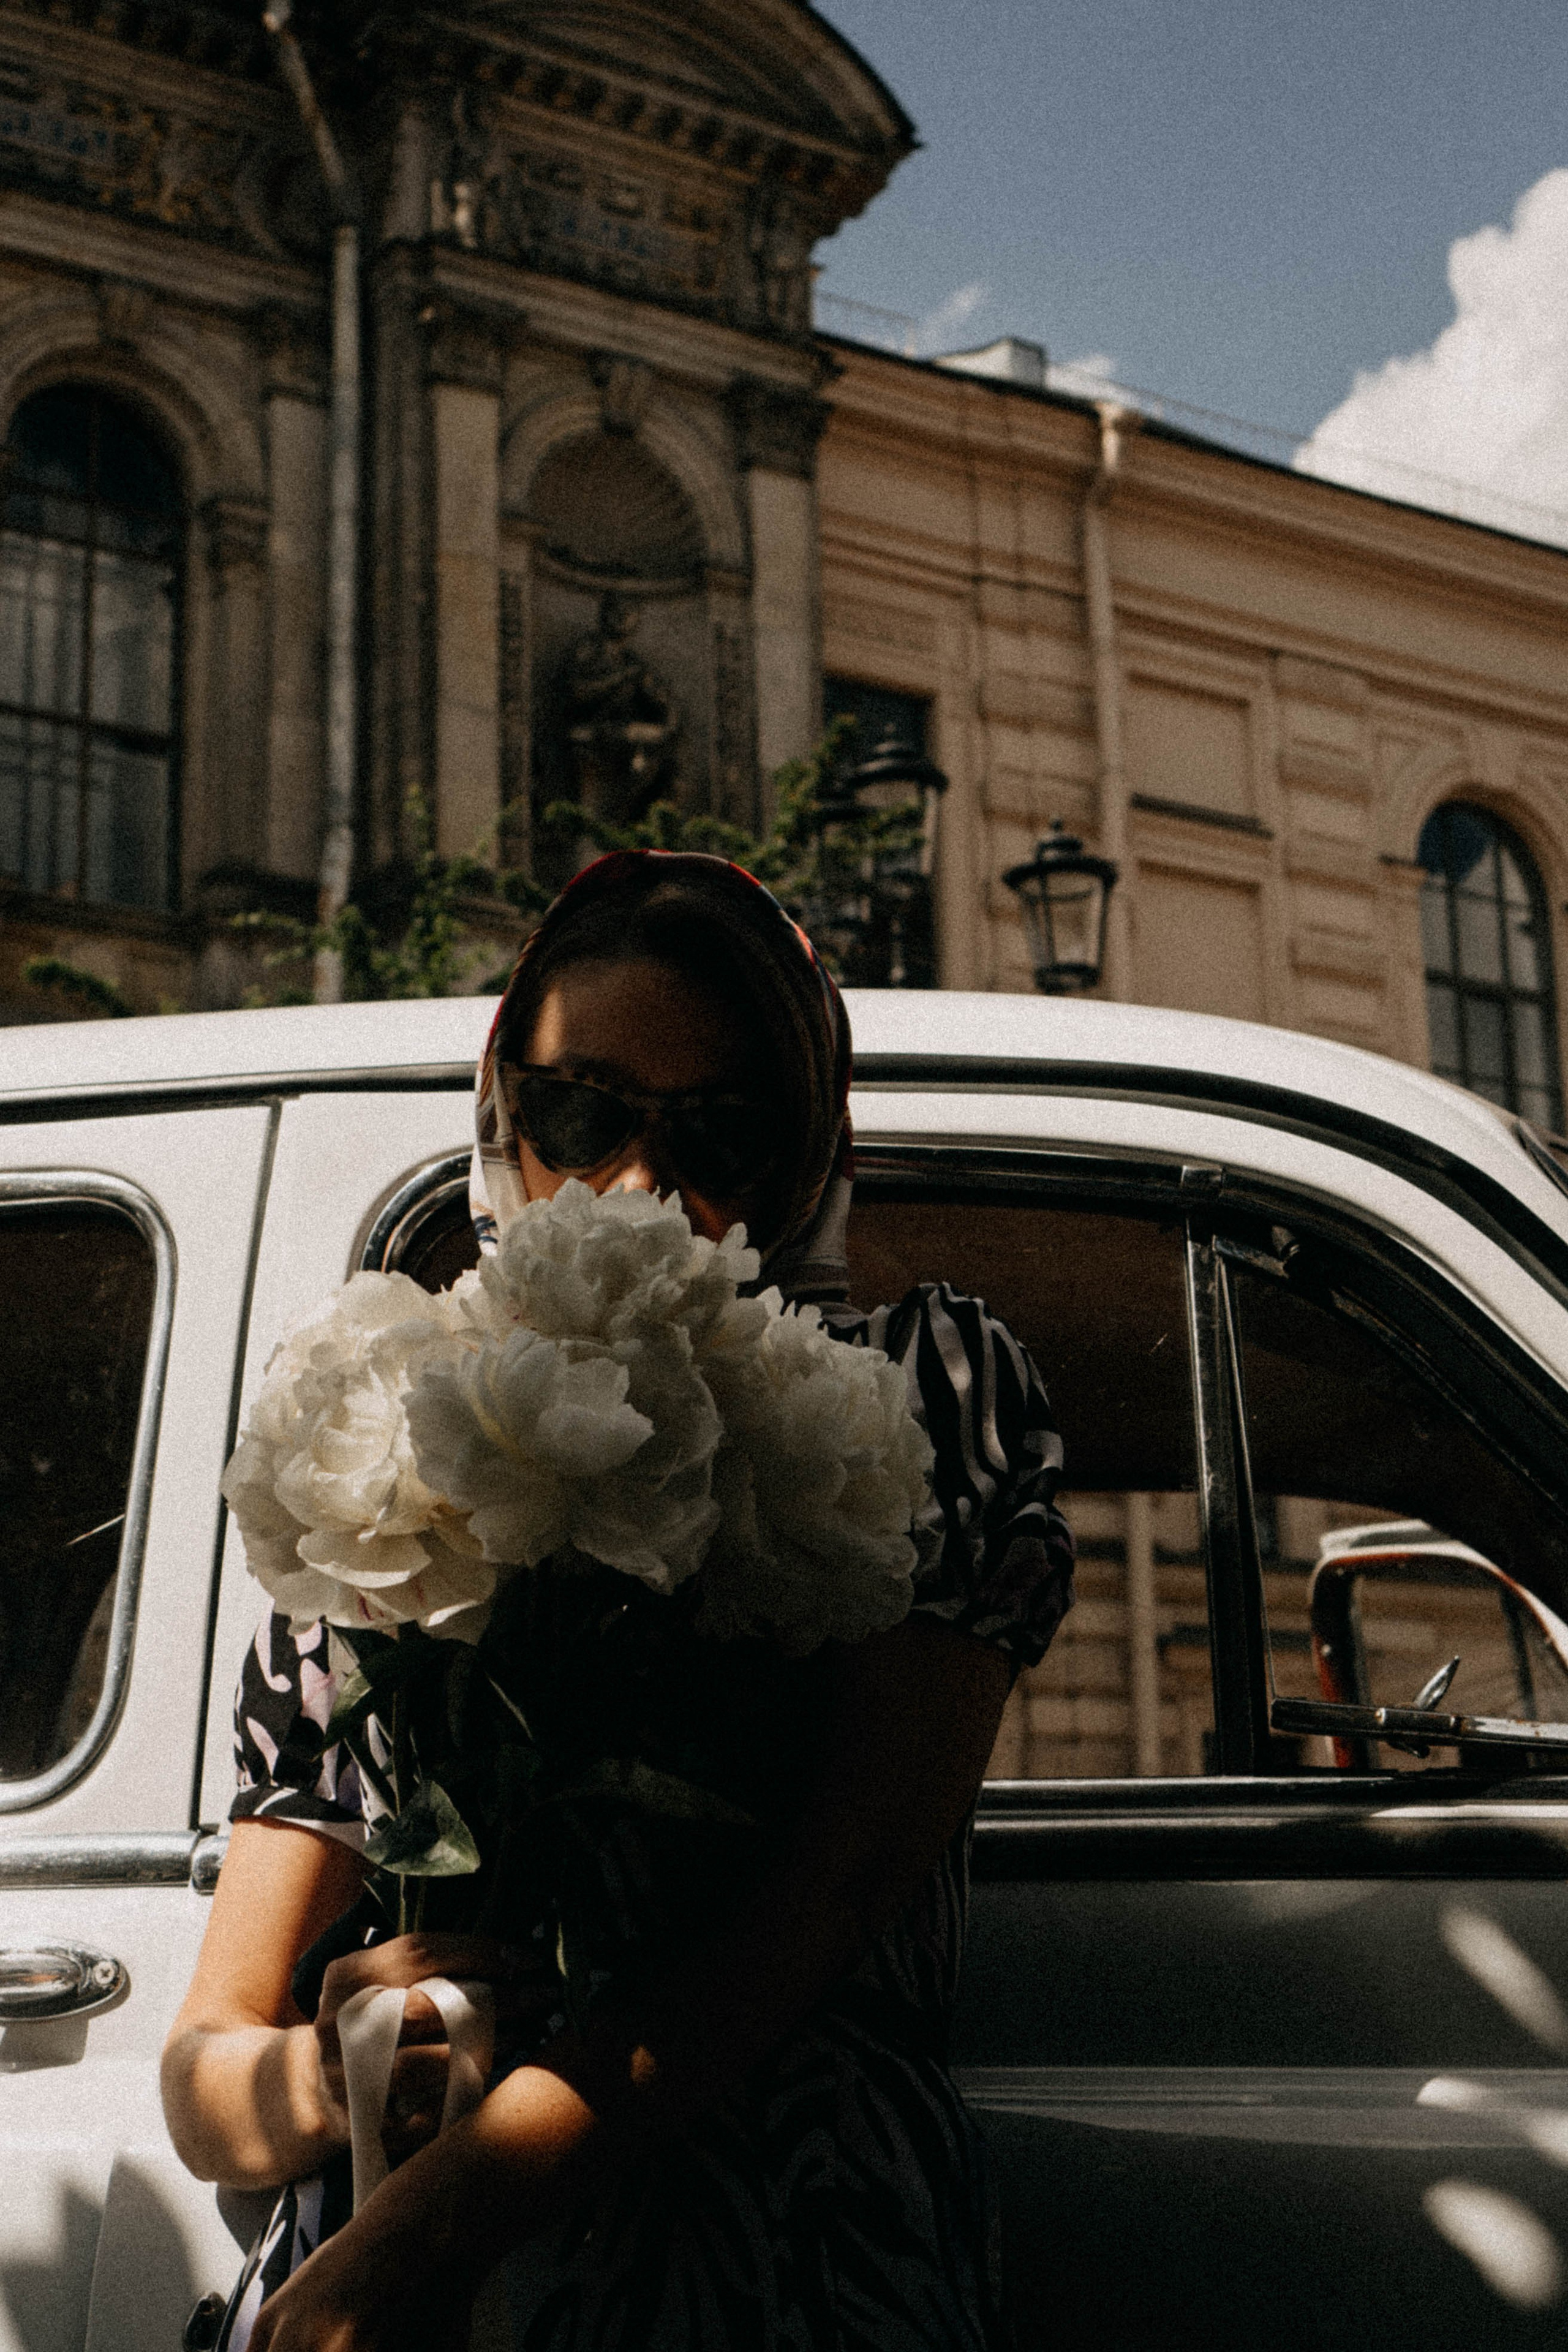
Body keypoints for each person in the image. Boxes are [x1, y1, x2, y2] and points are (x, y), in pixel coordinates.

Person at [162, 851, 1076, 2352]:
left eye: (722, 1132)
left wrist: (409, 2251)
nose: (643, 1186)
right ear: (501, 1114)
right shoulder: (383, 1426)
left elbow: (832, 1895)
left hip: (780, 2266)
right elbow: (205, 2066)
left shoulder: (918, 1395)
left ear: (806, 1157)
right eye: (583, 1115)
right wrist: (342, 2071)